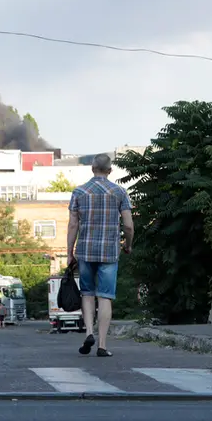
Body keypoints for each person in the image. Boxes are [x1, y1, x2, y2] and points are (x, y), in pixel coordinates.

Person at [66, 153, 134, 357]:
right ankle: (102, 345)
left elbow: (72, 225)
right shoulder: (119, 192)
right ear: (110, 170)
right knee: (105, 297)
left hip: (85, 251)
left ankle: (88, 332)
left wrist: (69, 253)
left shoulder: (79, 192)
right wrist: (128, 245)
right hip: (109, 252)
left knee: (87, 293)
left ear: (92, 168)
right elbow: (129, 226)